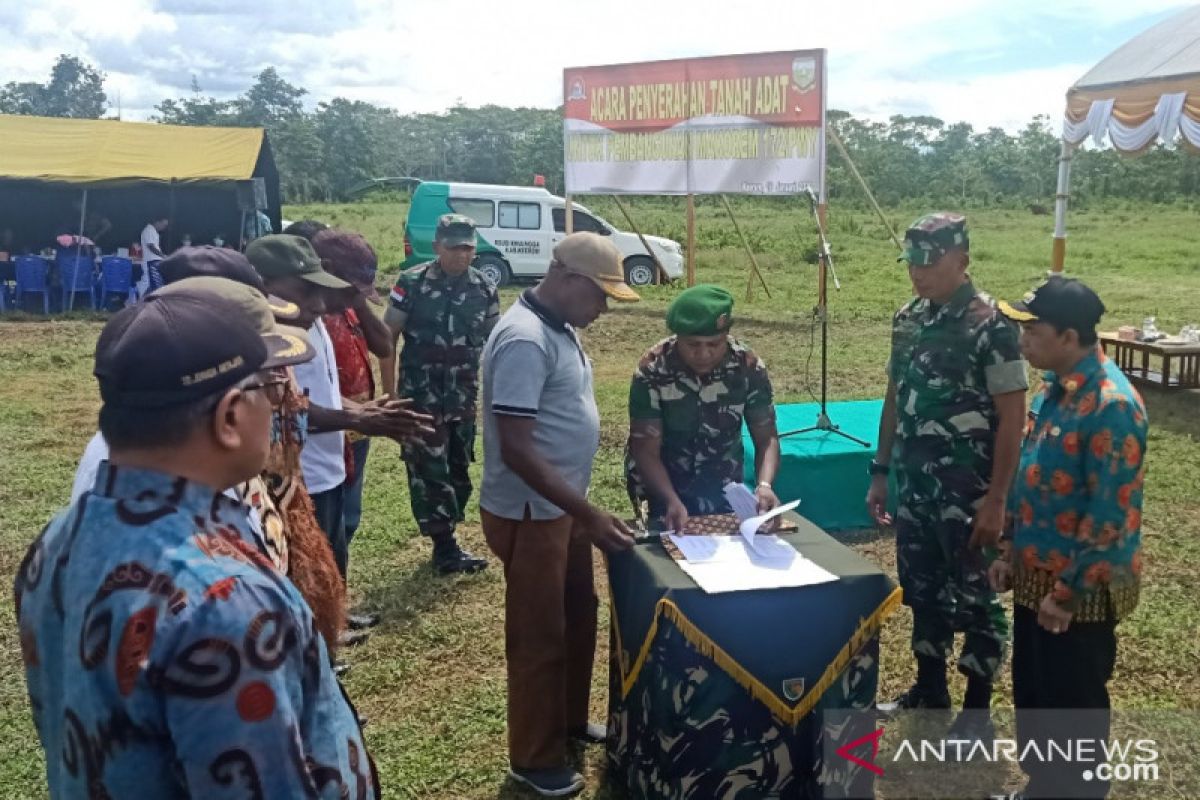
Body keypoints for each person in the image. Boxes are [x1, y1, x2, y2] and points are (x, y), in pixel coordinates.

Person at [15, 286, 379, 798]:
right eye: (270, 390)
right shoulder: (225, 601)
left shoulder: (56, 542)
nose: (280, 405)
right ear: (230, 416)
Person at [479, 232, 638, 797]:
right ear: (569, 279)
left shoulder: (556, 325)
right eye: (600, 296)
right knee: (538, 634)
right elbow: (517, 448)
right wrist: (588, 514)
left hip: (560, 506)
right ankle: (534, 756)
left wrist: (580, 510)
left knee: (578, 613)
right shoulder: (524, 339)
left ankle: (568, 721)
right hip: (532, 511)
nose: (602, 309)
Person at [866, 213, 1027, 739]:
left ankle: (976, 712)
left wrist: (998, 500)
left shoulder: (992, 326)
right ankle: (929, 689)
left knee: (977, 598)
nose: (918, 272)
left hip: (971, 491)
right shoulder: (907, 318)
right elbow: (894, 398)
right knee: (924, 589)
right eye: (912, 261)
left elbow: (1012, 418)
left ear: (962, 261)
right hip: (917, 487)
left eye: (930, 262)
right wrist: (881, 470)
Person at [990, 276, 1147, 800]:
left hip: (1077, 592)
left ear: (1071, 336)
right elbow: (1028, 476)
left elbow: (1108, 515)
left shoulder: (1111, 406)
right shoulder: (1055, 389)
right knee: (1036, 697)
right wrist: (1009, 550)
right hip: (1037, 575)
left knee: (1072, 704)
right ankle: (1043, 788)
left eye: (1034, 330)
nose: (1023, 340)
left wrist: (1067, 594)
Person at [246, 234, 433, 584]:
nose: (319, 303)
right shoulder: (266, 340)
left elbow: (310, 392)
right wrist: (357, 417)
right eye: (307, 290)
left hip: (326, 468)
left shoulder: (309, 320)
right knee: (306, 578)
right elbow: (281, 411)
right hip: (299, 476)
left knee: (331, 566)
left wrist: (363, 412)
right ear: (264, 284)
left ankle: (337, 626)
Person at [381, 214, 499, 574]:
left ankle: (448, 536)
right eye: (454, 247)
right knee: (428, 470)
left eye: (468, 247)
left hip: (462, 396)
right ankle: (444, 546)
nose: (462, 255)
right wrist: (390, 396)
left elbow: (497, 344)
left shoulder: (484, 287)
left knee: (459, 469)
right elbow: (388, 337)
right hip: (421, 397)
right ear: (436, 247)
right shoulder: (411, 283)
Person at [626, 284, 780, 532]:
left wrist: (765, 485)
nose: (704, 354)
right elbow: (645, 448)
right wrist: (669, 500)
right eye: (693, 345)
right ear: (677, 337)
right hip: (662, 484)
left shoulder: (748, 366)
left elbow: (767, 437)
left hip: (722, 483)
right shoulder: (653, 369)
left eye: (714, 344)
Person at [313, 229, 394, 628]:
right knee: (320, 534)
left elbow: (384, 345)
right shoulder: (306, 314)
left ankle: (336, 611)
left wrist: (358, 300)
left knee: (345, 523)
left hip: (356, 429)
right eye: (351, 285)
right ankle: (327, 619)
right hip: (325, 432)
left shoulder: (345, 306)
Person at [138, 216, 169, 296]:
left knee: (152, 285)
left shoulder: (154, 232)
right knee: (149, 284)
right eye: (163, 225)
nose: (164, 227)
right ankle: (139, 302)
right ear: (157, 222)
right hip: (151, 262)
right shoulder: (149, 230)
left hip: (154, 262)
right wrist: (163, 256)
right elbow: (151, 246)